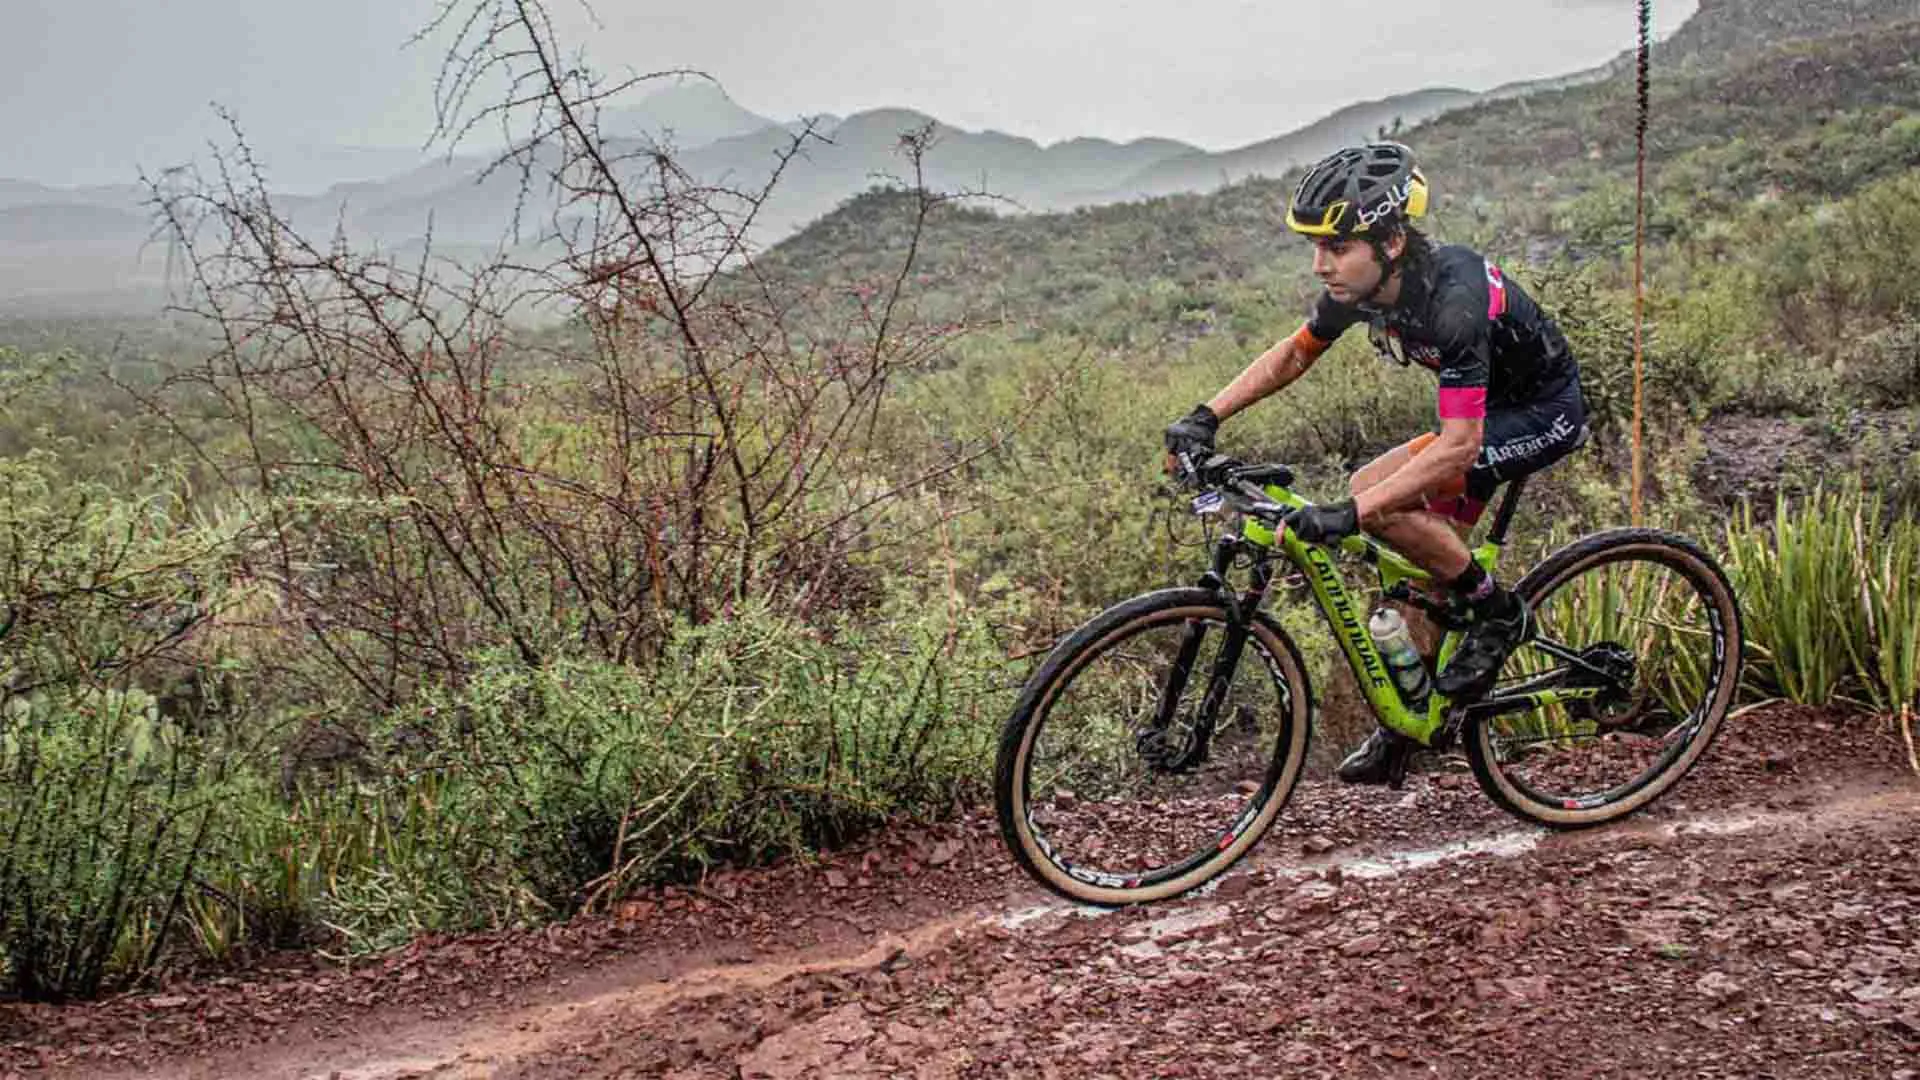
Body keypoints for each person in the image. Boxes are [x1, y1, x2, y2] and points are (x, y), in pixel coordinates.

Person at [1163, 142, 1587, 785]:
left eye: (1335, 247)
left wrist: (1350, 514)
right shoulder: (1363, 289)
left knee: (1374, 498)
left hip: (1539, 413)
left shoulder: (1455, 299)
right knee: (1409, 560)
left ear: (1389, 241)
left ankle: (1496, 611)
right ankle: (1412, 724)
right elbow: (1294, 355)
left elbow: (1459, 446)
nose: (1319, 264)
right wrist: (1207, 414)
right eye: (1316, 246)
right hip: (1478, 416)